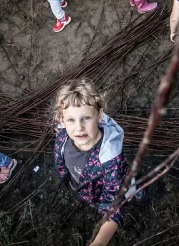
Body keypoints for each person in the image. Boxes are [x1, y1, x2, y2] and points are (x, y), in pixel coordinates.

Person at [54, 78, 142, 246]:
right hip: (86, 190)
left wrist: (99, 242)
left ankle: (137, 189)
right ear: (62, 120)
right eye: (71, 120)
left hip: (107, 193)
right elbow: (61, 160)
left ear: (99, 116)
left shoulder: (110, 161)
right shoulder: (62, 137)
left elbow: (115, 205)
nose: (79, 127)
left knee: (128, 190)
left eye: (86, 118)